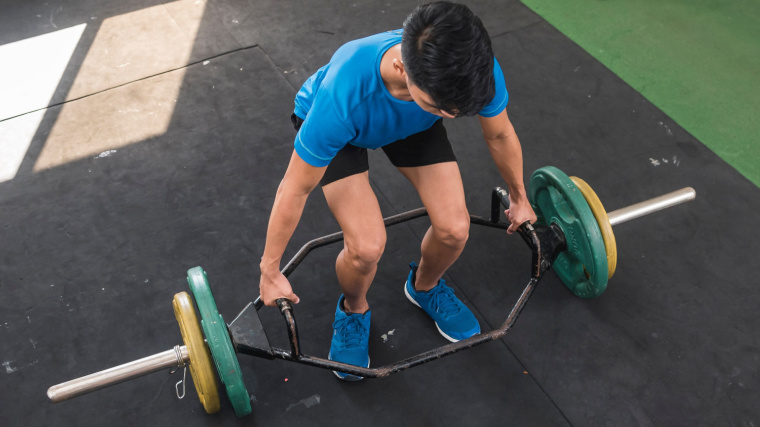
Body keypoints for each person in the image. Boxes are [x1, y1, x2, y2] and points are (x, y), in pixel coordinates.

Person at [258, 1, 537, 380]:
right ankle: (354, 309)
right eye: (444, 108)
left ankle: (424, 286)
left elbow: (500, 132)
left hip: (413, 123)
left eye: (457, 111)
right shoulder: (342, 95)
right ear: (402, 68)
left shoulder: (470, 70)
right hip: (349, 130)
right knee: (366, 247)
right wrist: (270, 269)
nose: (453, 118)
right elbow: (294, 189)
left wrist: (519, 197)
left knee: (455, 228)